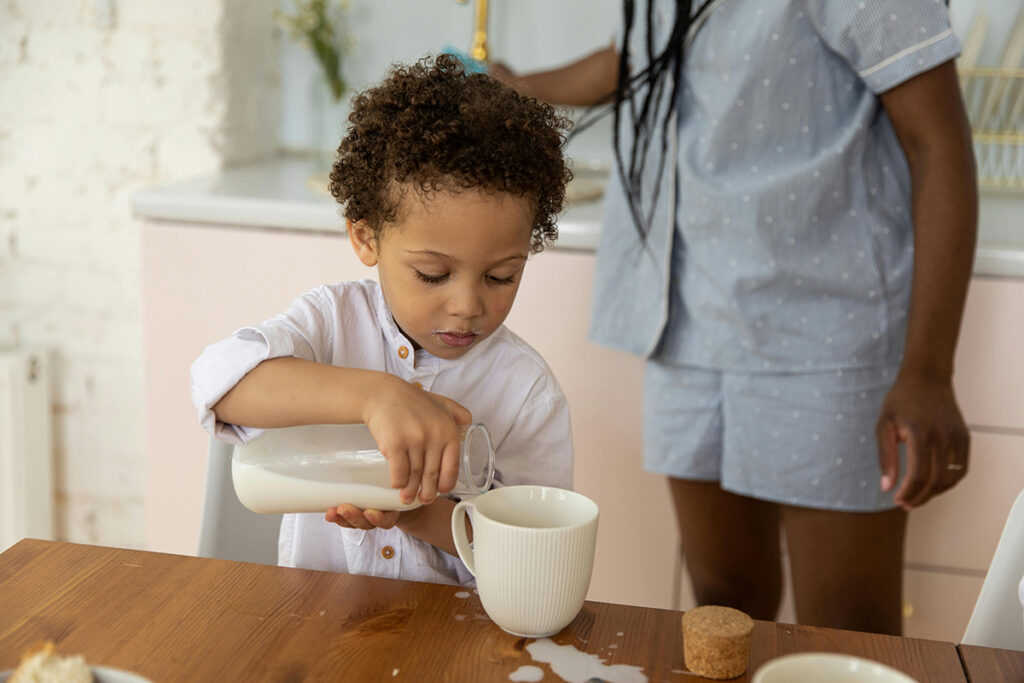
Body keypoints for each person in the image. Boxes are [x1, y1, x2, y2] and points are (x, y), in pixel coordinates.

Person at [494, 0, 977, 634]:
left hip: (826, 332)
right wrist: (519, 88)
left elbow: (938, 144)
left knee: (847, 627)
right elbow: (644, 56)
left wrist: (929, 371)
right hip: (687, 322)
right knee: (723, 606)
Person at [190, 55, 574, 586]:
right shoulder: (330, 323)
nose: (467, 305)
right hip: (315, 629)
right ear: (366, 238)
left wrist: (418, 513)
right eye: (433, 274)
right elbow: (218, 379)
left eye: (501, 277)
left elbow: (537, 565)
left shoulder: (527, 393)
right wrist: (376, 397)